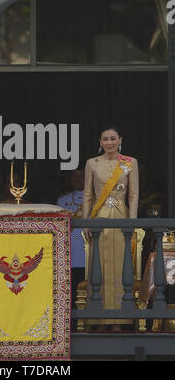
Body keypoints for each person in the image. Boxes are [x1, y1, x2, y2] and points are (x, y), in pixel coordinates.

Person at [82, 124, 139, 331]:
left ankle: (119, 321)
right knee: (99, 266)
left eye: (113, 138)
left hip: (121, 218)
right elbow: (88, 195)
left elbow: (133, 195)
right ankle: (97, 320)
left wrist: (132, 222)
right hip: (99, 218)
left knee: (120, 266)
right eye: (105, 139)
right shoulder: (92, 163)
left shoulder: (130, 163)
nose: (109, 142)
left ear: (120, 140)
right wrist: (87, 221)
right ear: (100, 142)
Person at [57, 167, 85, 308]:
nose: (78, 179)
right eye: (74, 176)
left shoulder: (97, 200)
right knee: (71, 297)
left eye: (81, 176)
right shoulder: (62, 200)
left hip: (88, 255)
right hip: (71, 255)